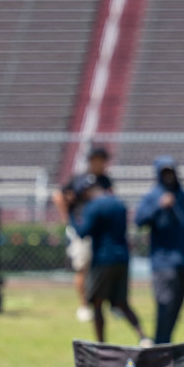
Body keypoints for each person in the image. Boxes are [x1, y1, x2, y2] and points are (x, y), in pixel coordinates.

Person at [71, 175, 151, 346]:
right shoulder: (118, 203)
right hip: (122, 258)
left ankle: (101, 345)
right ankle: (143, 337)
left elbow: (82, 232)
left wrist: (70, 214)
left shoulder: (93, 206)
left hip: (103, 259)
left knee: (97, 303)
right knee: (122, 302)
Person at [135, 156, 184, 344]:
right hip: (163, 262)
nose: (168, 176)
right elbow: (139, 220)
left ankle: (166, 344)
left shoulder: (183, 196)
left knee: (177, 307)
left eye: (171, 171)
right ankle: (160, 345)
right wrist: (159, 206)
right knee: (165, 305)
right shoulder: (153, 196)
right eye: (164, 172)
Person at [53, 146, 114, 322]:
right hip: (83, 231)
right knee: (82, 267)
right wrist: (67, 217)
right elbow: (59, 196)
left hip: (101, 232)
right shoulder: (79, 179)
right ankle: (84, 305)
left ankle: (104, 303)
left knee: (104, 269)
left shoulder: (106, 181)